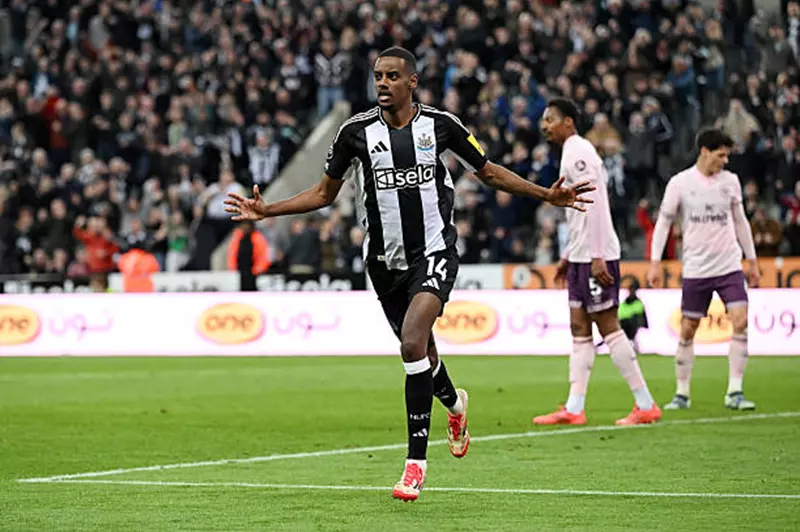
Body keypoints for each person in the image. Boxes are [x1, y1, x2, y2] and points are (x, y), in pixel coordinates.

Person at [224, 47, 594, 501]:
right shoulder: (355, 133)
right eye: (378, 76)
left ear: (412, 82)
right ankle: (455, 404)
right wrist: (269, 211)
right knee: (424, 354)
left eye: (392, 76)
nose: (383, 83)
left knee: (412, 343)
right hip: (384, 263)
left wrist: (546, 195)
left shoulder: (441, 125)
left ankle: (415, 465)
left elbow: (490, 173)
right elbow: (323, 194)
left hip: (434, 251)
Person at [534, 98, 662, 428]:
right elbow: (578, 211)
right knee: (579, 329)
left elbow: (593, 202)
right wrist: (568, 255)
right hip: (580, 255)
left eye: (550, 119)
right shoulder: (570, 151)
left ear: (569, 122)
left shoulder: (579, 151)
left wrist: (595, 254)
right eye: (544, 120)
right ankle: (574, 408)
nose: (545, 125)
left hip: (595, 254)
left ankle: (645, 404)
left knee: (608, 327)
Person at [647, 129, 760, 411]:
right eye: (721, 155)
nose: (725, 161)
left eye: (727, 156)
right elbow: (664, 222)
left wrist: (752, 259)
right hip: (697, 268)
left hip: (729, 265)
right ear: (705, 152)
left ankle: (735, 391)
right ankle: (682, 393)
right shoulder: (680, 183)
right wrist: (655, 262)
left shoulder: (730, 182)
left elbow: (740, 221)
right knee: (688, 328)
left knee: (740, 320)